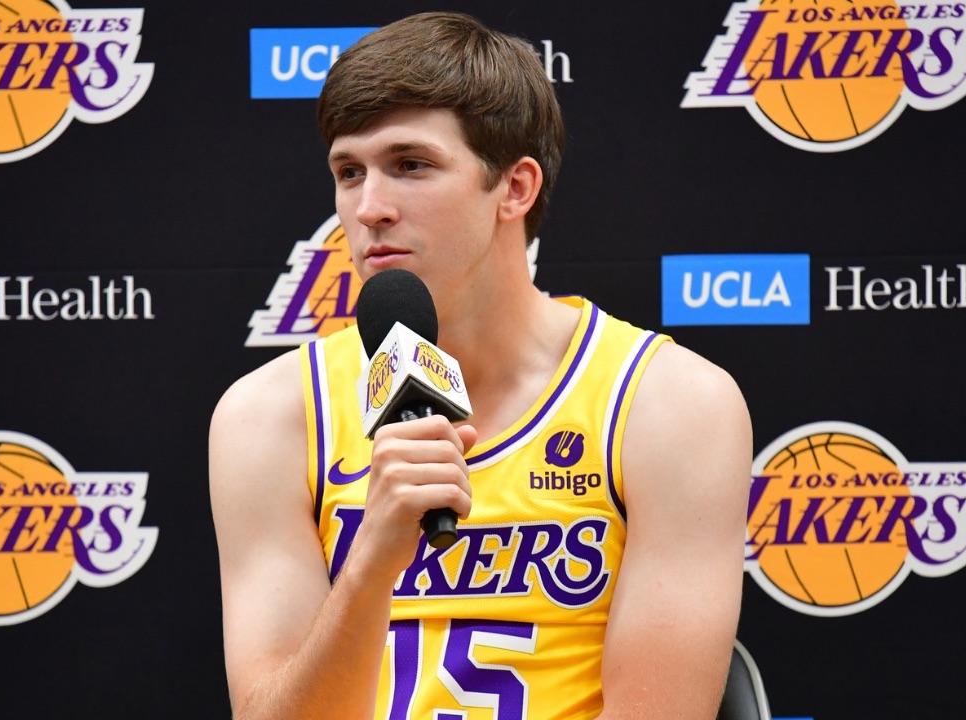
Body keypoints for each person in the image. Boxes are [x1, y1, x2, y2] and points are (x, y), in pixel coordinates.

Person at [209, 11, 752, 719]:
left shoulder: (672, 404)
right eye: (349, 172)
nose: (369, 208)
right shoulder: (268, 414)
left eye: (410, 165)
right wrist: (374, 553)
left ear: (515, 188)